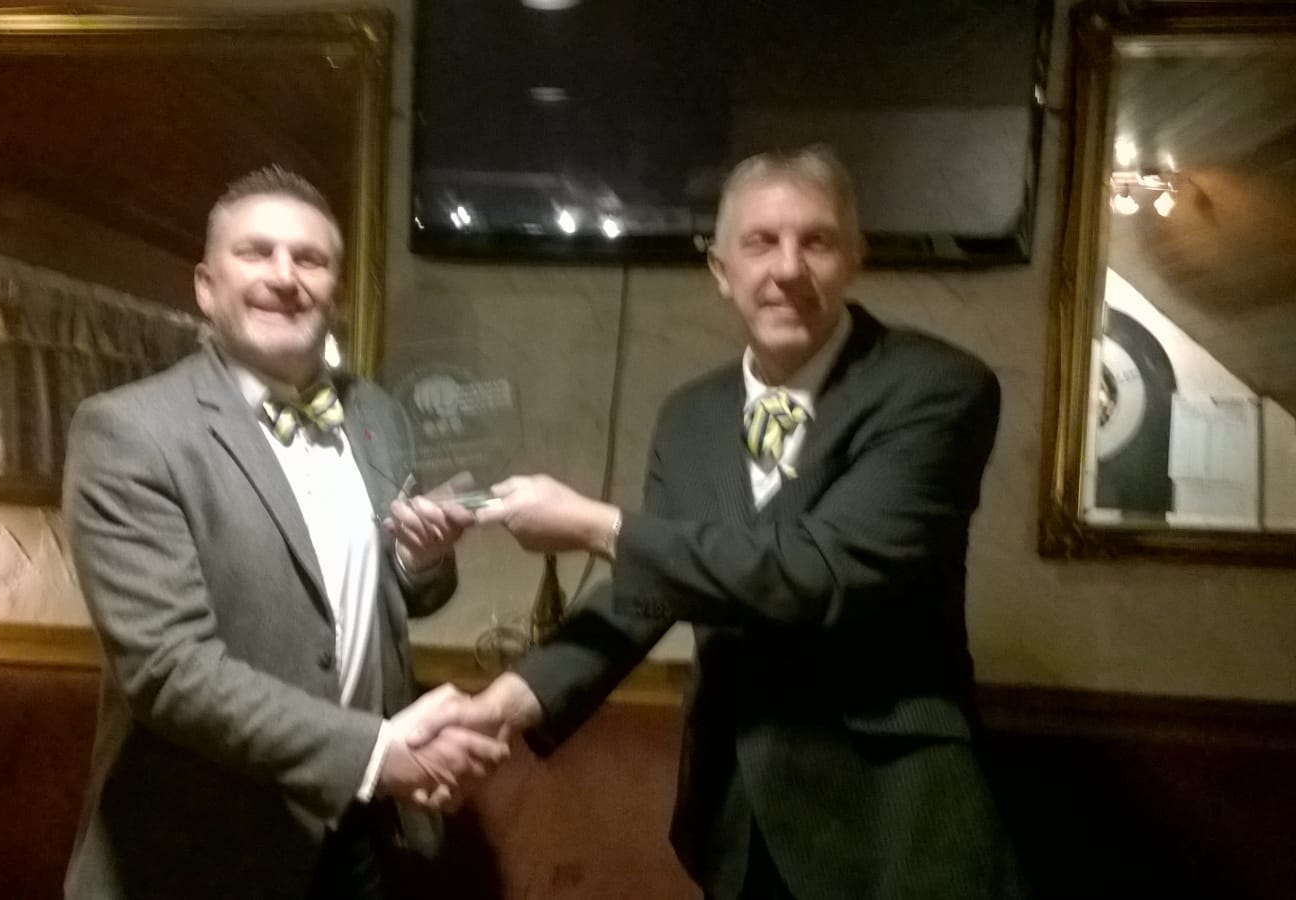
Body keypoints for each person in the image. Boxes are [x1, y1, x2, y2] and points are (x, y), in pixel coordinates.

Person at [433, 146, 1025, 899]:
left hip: (896, 826)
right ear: (721, 270)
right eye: (760, 242)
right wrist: (505, 705)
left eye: (816, 241)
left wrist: (596, 525)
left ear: (855, 259)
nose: (787, 268)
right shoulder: (690, 415)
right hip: (734, 821)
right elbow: (649, 590)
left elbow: (820, 571)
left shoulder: (937, 387)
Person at [61, 166, 504, 900]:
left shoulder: (378, 414)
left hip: (356, 836)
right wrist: (376, 753)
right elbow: (167, 671)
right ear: (206, 286)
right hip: (199, 856)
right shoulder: (128, 431)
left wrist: (419, 561)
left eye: (310, 259)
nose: (284, 276)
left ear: (336, 291)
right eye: (256, 252)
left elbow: (391, 606)